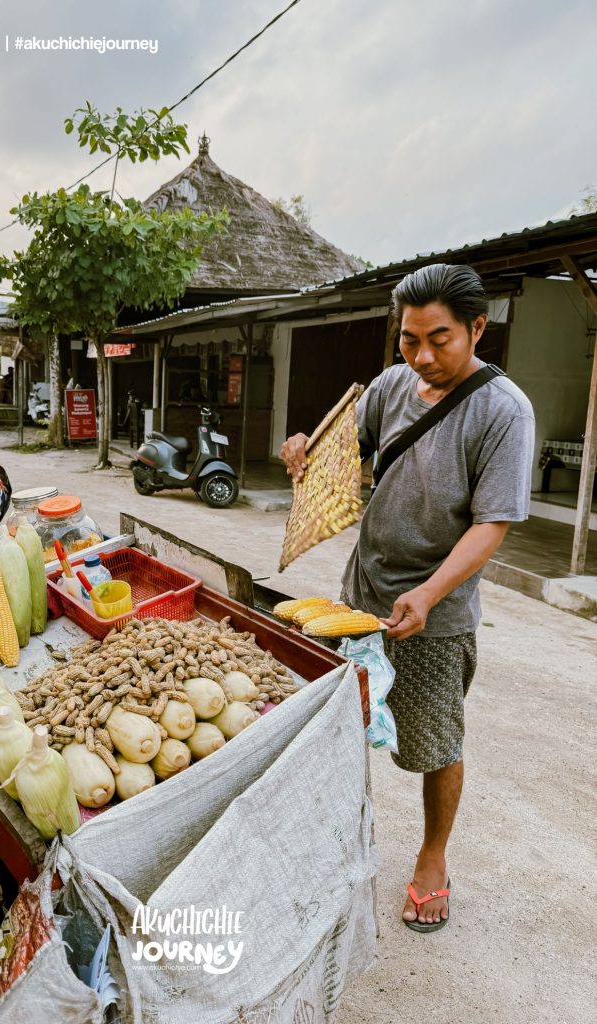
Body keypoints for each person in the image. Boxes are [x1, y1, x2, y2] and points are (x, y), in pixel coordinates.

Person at [281, 264, 534, 933]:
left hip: (434, 613)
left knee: (433, 743)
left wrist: (427, 592)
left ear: (477, 328)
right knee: (336, 725)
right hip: (358, 595)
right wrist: (305, 450)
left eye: (439, 339)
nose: (421, 356)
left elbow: (492, 523)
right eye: (408, 339)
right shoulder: (392, 386)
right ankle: (331, 838)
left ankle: (431, 858)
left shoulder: (503, 411)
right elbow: (347, 455)